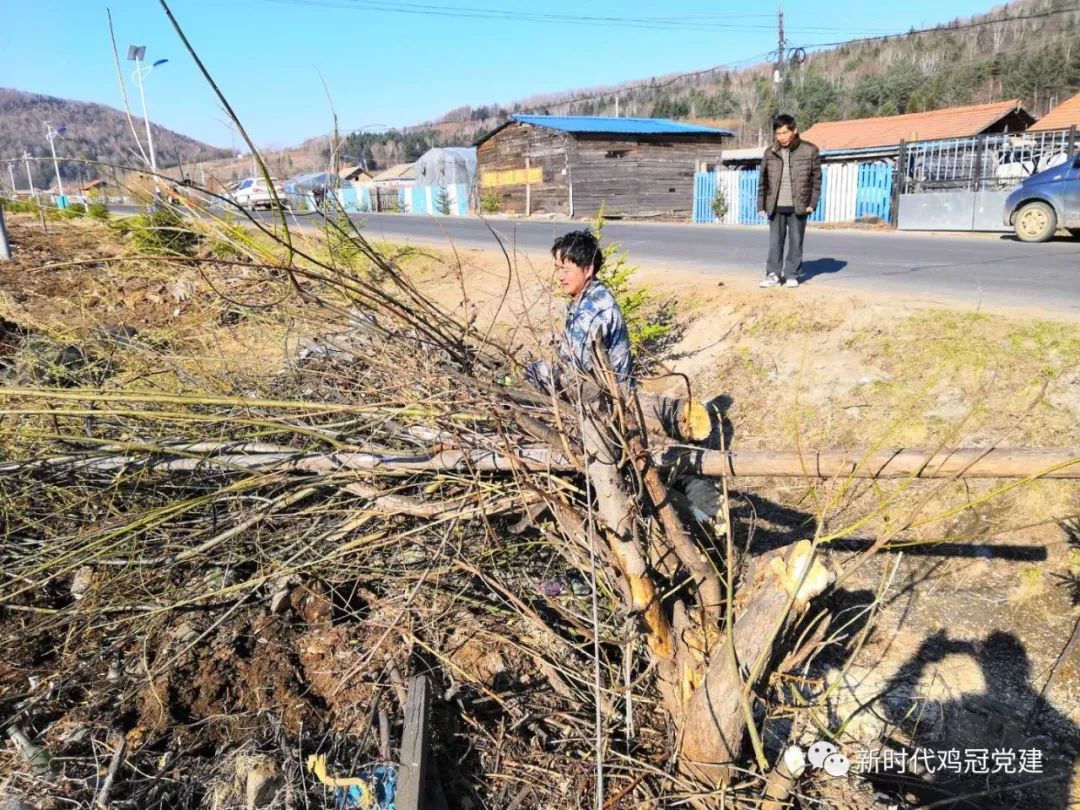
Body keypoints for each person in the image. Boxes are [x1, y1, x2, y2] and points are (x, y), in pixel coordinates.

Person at [524, 229, 632, 394]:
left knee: (536, 373)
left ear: (588, 270)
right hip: (599, 383)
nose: (560, 276)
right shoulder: (591, 294)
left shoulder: (593, 308)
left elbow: (577, 368)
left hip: (609, 393)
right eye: (558, 269)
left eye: (566, 270)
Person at [757, 114, 821, 288]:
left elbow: (816, 180)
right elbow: (763, 180)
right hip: (775, 205)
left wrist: (812, 203)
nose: (782, 137)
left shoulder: (810, 150)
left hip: (798, 205)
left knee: (795, 241)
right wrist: (761, 204)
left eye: (785, 132)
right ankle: (773, 275)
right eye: (778, 133)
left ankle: (792, 274)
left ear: (794, 130)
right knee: (775, 242)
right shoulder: (770, 152)